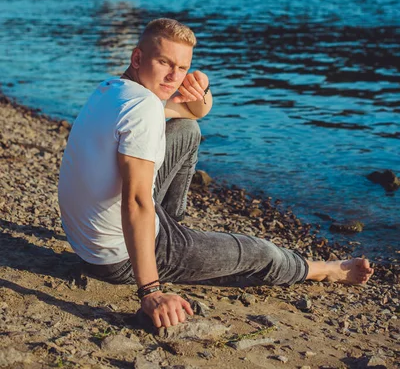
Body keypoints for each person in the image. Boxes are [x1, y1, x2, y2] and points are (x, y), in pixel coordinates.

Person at [58, 18, 373, 329]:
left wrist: (200, 84)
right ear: (138, 58)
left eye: (182, 68)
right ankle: (323, 269)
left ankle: (175, 230)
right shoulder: (144, 109)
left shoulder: (114, 89)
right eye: (165, 63)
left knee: (186, 130)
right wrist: (150, 292)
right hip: (118, 257)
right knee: (260, 252)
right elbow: (137, 201)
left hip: (90, 243)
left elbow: (194, 113)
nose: (173, 76)